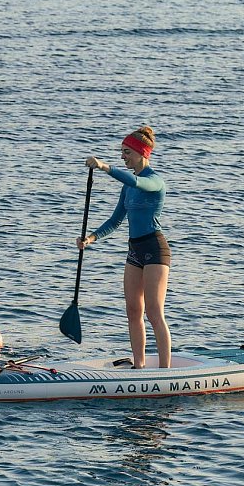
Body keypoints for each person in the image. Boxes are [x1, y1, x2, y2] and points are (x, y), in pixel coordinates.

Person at [76, 126, 171, 369]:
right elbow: (116, 220)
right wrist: (91, 238)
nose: (123, 157)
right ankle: (139, 366)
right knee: (132, 310)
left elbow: (136, 181)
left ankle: (165, 371)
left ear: (142, 153)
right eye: (121, 153)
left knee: (154, 313)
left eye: (127, 152)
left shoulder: (154, 181)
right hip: (135, 250)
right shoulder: (127, 187)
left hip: (155, 249)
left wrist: (105, 167)